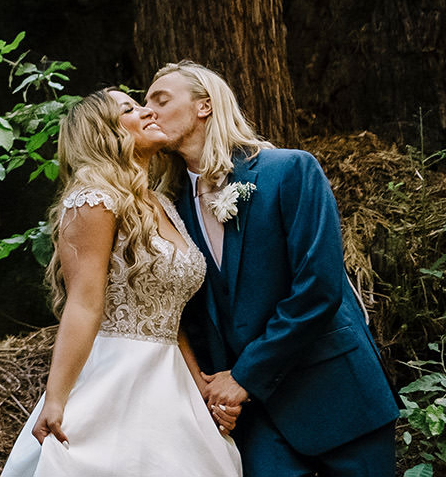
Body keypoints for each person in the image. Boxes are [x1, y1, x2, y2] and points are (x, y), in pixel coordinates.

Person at [143, 62, 400, 477]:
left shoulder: (290, 170)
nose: (148, 111)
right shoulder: (169, 210)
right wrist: (212, 393)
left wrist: (244, 375)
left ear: (204, 106)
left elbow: (318, 288)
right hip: (254, 418)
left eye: (161, 99)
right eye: (145, 103)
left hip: (337, 393)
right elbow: (188, 312)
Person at [1, 88, 242, 477]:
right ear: (104, 132)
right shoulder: (94, 199)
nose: (148, 112)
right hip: (114, 380)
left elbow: (170, 312)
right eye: (130, 108)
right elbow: (83, 303)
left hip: (172, 381)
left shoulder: (161, 203)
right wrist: (56, 398)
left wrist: (197, 384)